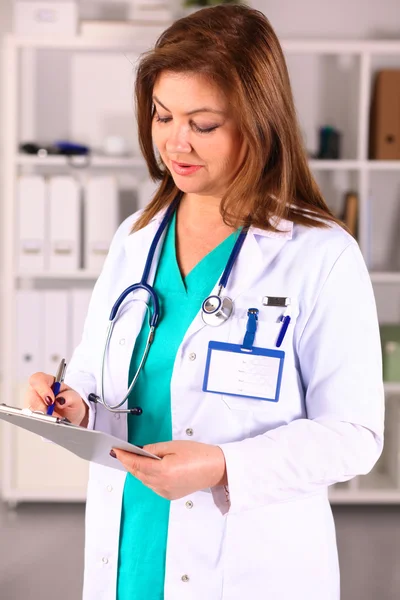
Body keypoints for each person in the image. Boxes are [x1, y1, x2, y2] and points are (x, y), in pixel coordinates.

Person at [25, 5, 384, 600]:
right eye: (163, 116)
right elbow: (97, 369)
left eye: (203, 123)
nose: (174, 141)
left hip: (245, 561)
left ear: (259, 121)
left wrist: (223, 466)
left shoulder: (322, 256)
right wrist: (72, 405)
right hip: (133, 543)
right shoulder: (137, 238)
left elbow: (353, 434)